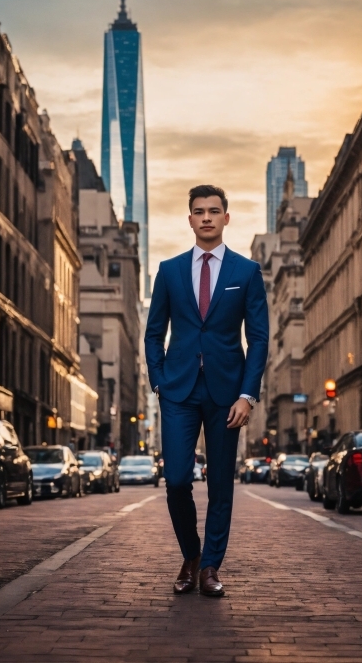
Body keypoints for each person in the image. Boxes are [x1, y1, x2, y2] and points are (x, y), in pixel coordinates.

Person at [145, 184, 269, 596]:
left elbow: (259, 339)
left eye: (214, 211)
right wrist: (159, 380)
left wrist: (247, 395)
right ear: (190, 219)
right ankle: (191, 554)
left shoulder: (246, 273)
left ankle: (211, 567)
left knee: (220, 483)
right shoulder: (170, 270)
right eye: (199, 211)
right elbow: (153, 334)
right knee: (177, 479)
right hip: (178, 390)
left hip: (227, 394)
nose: (207, 217)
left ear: (226, 218)